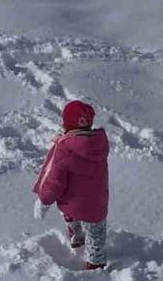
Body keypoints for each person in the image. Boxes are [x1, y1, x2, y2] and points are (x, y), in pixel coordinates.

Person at [32, 100, 111, 270]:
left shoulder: (65, 148)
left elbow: (54, 181)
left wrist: (44, 200)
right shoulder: (99, 143)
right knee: (96, 239)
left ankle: (78, 240)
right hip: (97, 206)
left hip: (71, 205)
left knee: (73, 220)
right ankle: (95, 265)